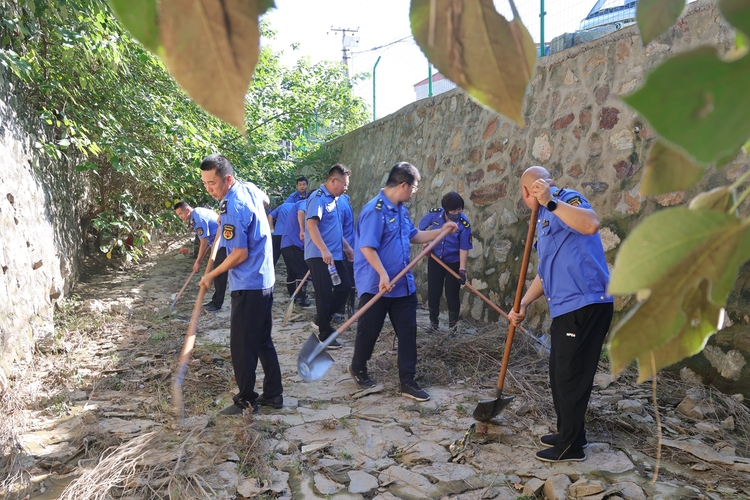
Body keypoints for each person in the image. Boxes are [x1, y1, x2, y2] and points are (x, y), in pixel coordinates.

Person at [508, 166, 613, 463]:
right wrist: (524, 303)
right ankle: (571, 433)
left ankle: (570, 447)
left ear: (529, 191)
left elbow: (591, 224)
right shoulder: (543, 219)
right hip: (567, 307)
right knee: (560, 374)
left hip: (586, 303)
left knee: (569, 377)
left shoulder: (567, 200)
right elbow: (545, 272)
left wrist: (551, 200)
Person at [348, 162, 456, 402]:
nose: (415, 192)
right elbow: (366, 246)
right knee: (369, 332)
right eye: (414, 187)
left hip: (402, 285)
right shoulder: (374, 210)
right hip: (377, 284)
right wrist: (383, 274)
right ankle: (358, 367)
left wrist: (441, 232)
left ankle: (407, 381)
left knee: (408, 332)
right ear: (403, 185)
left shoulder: (400, 210)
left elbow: (414, 235)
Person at [198, 154, 283, 415]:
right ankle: (273, 394)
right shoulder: (247, 188)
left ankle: (246, 399)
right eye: (204, 184)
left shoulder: (233, 206)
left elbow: (239, 254)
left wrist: (212, 274)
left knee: (242, 345)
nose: (209, 189)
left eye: (212, 183)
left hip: (248, 283)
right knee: (260, 339)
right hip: (265, 278)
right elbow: (266, 199)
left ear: (228, 179)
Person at [304, 164, 354, 349]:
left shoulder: (334, 200)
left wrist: (347, 247)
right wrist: (324, 250)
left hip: (334, 255)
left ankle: (322, 318)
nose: (346, 187)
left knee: (345, 286)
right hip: (319, 255)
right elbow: (312, 226)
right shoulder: (318, 198)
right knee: (324, 295)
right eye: (344, 184)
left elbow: (334, 229)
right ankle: (325, 334)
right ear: (333, 180)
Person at [418, 192, 473, 333]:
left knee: (452, 294)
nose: (457, 213)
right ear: (446, 209)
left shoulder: (464, 224)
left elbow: (464, 248)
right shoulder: (435, 215)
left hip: (453, 262)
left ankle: (452, 329)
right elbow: (421, 228)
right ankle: (433, 324)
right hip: (435, 259)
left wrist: (462, 269)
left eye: (459, 209)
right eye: (453, 210)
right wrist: (426, 245)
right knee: (433, 291)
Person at [173, 201, 228, 312]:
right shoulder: (197, 213)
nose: (181, 217)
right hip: (217, 242)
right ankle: (216, 300)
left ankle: (217, 303)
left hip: (222, 243)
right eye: (178, 215)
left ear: (187, 210)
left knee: (219, 274)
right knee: (218, 272)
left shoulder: (198, 219)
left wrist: (198, 261)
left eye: (181, 214)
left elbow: (203, 243)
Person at [280, 198, 311, 307]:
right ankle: (300, 298)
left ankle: (293, 295)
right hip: (294, 244)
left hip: (286, 244)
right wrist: (302, 230)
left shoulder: (299, 204)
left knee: (292, 273)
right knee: (302, 271)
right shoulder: (304, 203)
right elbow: (301, 212)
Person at [338, 192, 356, 318]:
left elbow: (336, 229)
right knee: (350, 278)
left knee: (341, 280)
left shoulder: (338, 203)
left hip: (343, 247)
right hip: (348, 246)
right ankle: (349, 307)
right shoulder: (344, 203)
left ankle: (341, 308)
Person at [268, 201, 294, 268]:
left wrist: (271, 230)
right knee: (290, 258)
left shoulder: (283, 205)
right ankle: (291, 276)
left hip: (277, 234)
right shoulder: (300, 207)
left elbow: (270, 215)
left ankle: (267, 272)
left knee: (273, 256)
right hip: (289, 236)